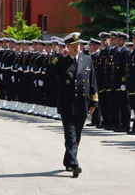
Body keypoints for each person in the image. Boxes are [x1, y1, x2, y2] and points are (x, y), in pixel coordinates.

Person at [45, 32, 98, 177]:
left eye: (79, 45)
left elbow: (93, 82)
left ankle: (68, 160)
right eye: (74, 46)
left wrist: (94, 102)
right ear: (67, 46)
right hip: (67, 104)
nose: (78, 48)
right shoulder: (62, 60)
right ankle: (75, 165)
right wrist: (60, 57)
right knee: (71, 136)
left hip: (82, 104)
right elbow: (49, 72)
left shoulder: (87, 59)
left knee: (77, 135)